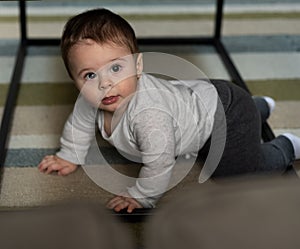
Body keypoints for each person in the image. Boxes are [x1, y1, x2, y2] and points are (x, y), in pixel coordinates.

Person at [38, 8, 300, 213]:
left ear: (138, 66)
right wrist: (70, 154)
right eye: (90, 74)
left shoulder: (150, 117)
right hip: (204, 98)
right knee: (214, 112)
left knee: (234, 174)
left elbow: (160, 163)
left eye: (116, 68)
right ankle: (259, 107)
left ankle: (285, 145)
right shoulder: (91, 99)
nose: (105, 83)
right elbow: (79, 125)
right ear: (75, 79)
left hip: (225, 115)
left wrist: (141, 195)